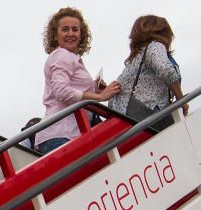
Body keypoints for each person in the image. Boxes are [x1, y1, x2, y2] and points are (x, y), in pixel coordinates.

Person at [34, 7, 120, 154]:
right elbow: (62, 92)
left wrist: (93, 88)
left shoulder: (70, 57)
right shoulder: (62, 55)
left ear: (81, 34)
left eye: (75, 29)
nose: (71, 34)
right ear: (55, 35)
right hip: (61, 134)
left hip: (67, 134)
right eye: (65, 29)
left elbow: (69, 88)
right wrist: (100, 97)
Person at [109, 15, 187, 121]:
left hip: (126, 114)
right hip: (149, 109)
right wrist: (181, 99)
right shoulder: (154, 46)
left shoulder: (135, 58)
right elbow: (166, 71)